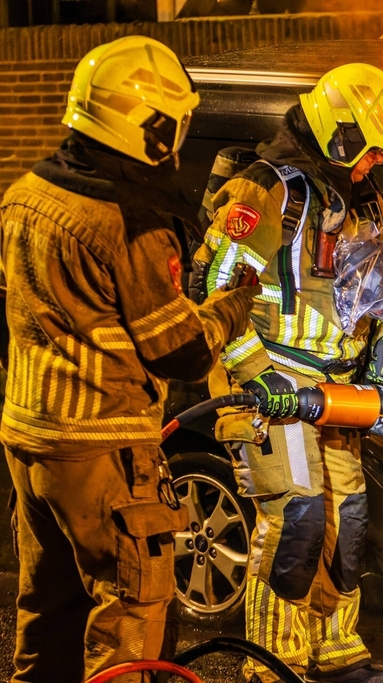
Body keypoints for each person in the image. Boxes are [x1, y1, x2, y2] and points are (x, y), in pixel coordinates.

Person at [0, 36, 258, 683]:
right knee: (130, 618)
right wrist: (231, 305)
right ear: (153, 125)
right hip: (102, 447)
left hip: (30, 439)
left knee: (49, 609)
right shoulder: (129, 219)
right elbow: (180, 351)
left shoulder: (25, 193)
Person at [192, 63, 383, 683]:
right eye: (369, 151)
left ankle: (332, 648)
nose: (375, 165)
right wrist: (255, 376)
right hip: (271, 387)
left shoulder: (363, 199)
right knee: (297, 517)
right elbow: (211, 286)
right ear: (339, 131)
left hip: (335, 391)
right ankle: (274, 661)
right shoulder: (266, 191)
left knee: (348, 520)